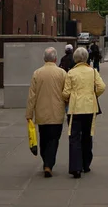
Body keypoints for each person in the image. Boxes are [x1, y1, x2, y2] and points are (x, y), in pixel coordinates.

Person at [62, 47, 106, 178]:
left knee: (74, 136)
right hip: (89, 107)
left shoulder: (71, 73)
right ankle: (86, 164)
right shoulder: (92, 72)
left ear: (75, 59)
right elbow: (101, 87)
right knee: (87, 135)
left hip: (75, 108)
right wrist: (93, 95)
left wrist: (67, 98)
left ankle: (76, 167)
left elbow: (66, 92)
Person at [26, 47, 66, 178]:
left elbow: (32, 96)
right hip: (57, 112)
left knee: (43, 138)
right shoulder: (62, 73)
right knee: (54, 139)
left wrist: (29, 114)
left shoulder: (37, 73)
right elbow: (66, 93)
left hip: (41, 113)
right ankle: (49, 163)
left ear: (44, 58)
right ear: (55, 59)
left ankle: (46, 161)